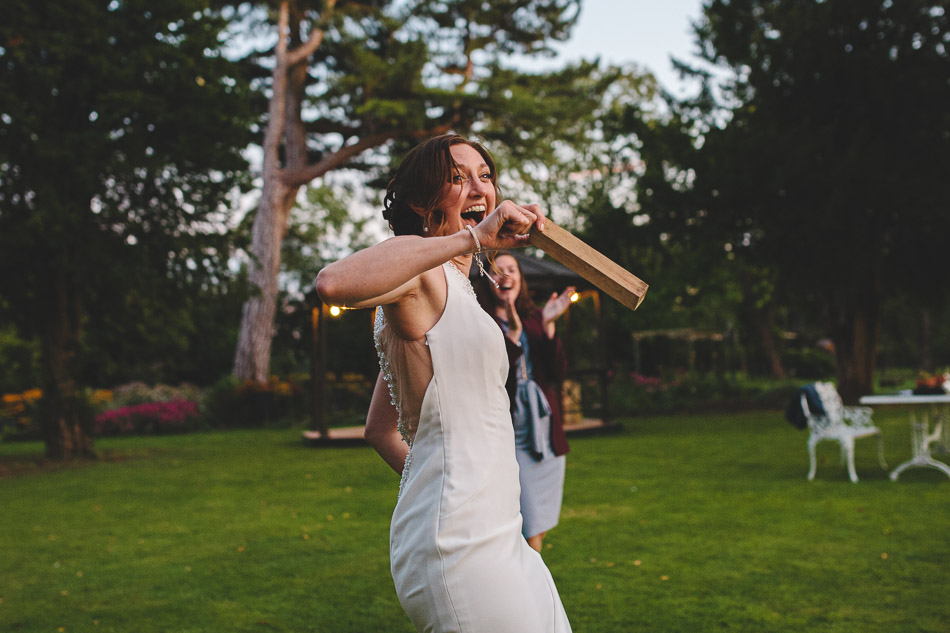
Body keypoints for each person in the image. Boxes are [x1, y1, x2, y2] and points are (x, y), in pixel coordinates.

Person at [315, 134, 571, 633]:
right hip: (458, 543)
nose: (479, 188)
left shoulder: (456, 288)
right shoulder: (420, 268)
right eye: (458, 178)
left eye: (485, 175)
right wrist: (473, 239)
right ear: (420, 202)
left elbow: (378, 429)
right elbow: (331, 283)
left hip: (500, 529)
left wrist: (444, 474)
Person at [475, 252, 574, 553]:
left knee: (537, 524)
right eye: (498, 270)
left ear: (521, 279)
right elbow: (490, 377)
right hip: (506, 427)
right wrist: (513, 338)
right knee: (525, 519)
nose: (506, 275)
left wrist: (549, 328)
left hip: (544, 432)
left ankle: (531, 577)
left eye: (512, 270)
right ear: (489, 279)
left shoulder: (535, 318)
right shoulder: (481, 322)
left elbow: (558, 373)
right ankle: (532, 582)